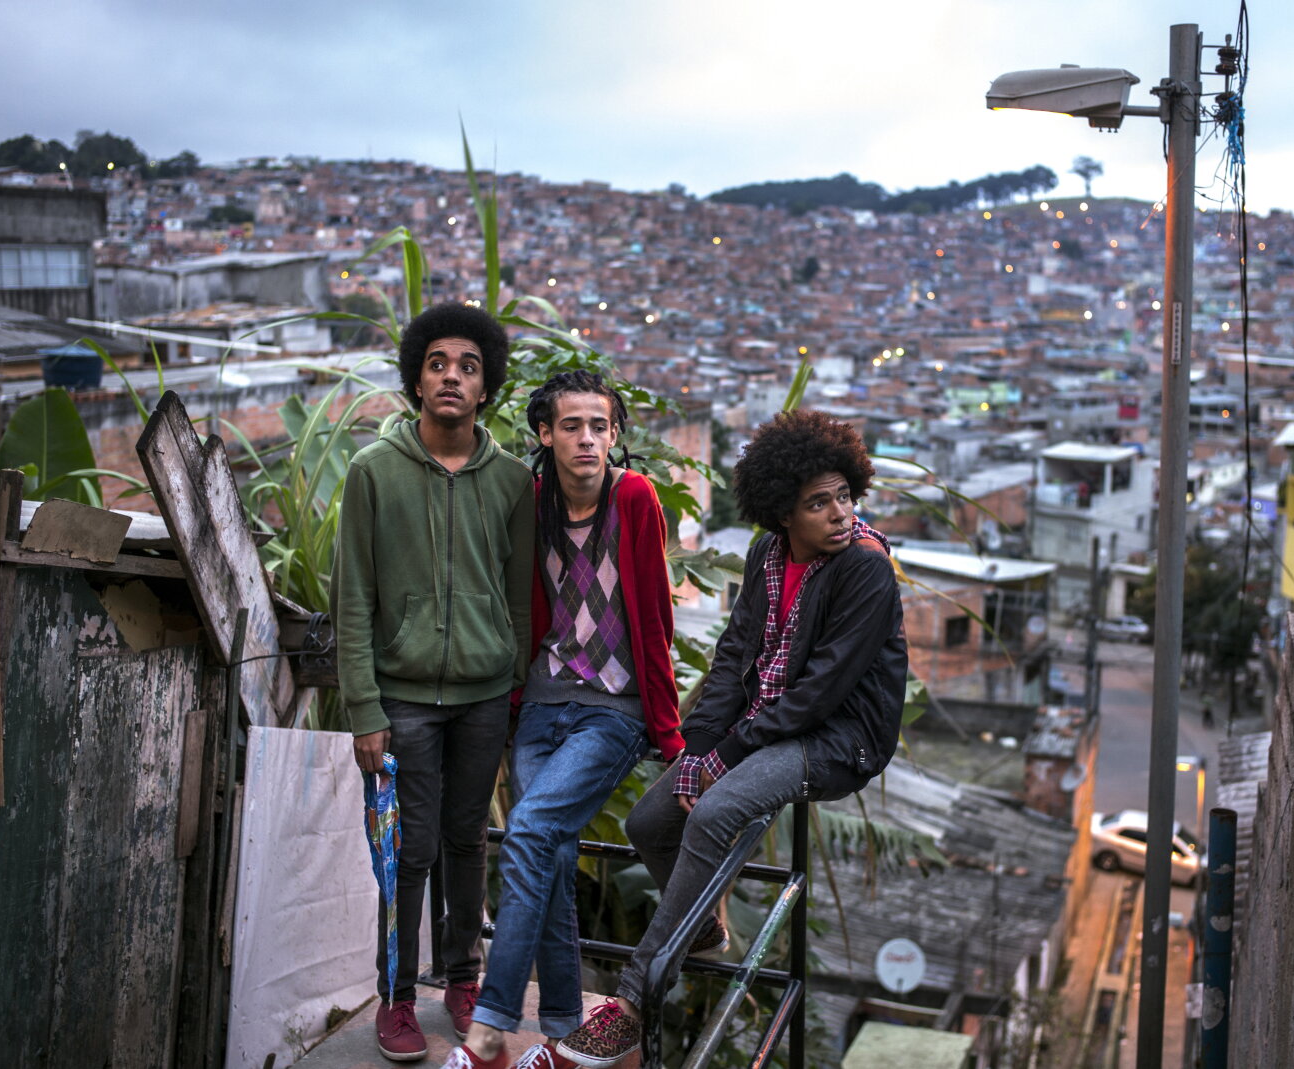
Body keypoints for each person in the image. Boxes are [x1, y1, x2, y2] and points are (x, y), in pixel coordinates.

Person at [555, 410, 909, 1069]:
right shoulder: (767, 556)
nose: (839, 514)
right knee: (649, 820)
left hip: (839, 739)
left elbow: (819, 693)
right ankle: (706, 926)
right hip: (772, 721)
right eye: (818, 502)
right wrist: (695, 755)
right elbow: (734, 660)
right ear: (782, 514)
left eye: (844, 496)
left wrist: (724, 759)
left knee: (715, 812)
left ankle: (632, 1003)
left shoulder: (864, 569)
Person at [441, 371, 684, 1069]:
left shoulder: (634, 498)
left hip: (614, 710)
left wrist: (668, 731)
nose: (588, 439)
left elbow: (655, 619)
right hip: (543, 705)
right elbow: (522, 609)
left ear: (615, 435)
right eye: (572, 425)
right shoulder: (533, 501)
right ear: (545, 433)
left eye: (600, 426)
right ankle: (561, 1032)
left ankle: (488, 1030)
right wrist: (513, 708)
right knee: (545, 851)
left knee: (532, 828)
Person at [332, 302, 535, 1063]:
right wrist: (364, 710)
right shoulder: (372, 473)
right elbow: (353, 599)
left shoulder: (513, 480)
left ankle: (463, 978)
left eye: (469, 366)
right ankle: (396, 996)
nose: (453, 375)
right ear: (417, 378)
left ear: (487, 388)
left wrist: (512, 688)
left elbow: (517, 600)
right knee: (406, 851)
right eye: (439, 362)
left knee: (466, 840)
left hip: (483, 696)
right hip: (404, 698)